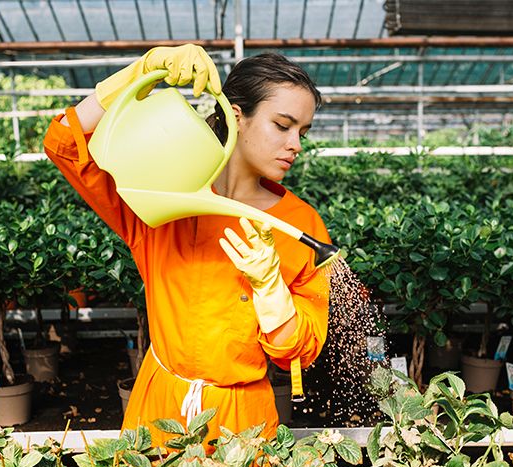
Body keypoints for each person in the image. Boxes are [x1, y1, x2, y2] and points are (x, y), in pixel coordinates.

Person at [43, 44, 331, 445]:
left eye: (303, 131)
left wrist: (272, 293)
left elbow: (299, 352)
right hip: (160, 406)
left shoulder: (303, 225)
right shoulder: (164, 197)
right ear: (236, 117)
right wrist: (141, 71)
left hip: (243, 422)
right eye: (282, 125)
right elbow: (65, 144)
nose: (296, 144)